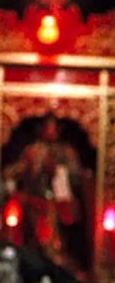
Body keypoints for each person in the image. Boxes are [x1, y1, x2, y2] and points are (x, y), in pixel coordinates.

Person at [2, 113, 85, 273]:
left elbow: (77, 177)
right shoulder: (32, 150)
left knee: (57, 231)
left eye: (53, 127)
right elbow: (17, 170)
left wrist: (59, 171)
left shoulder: (67, 152)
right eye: (47, 127)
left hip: (59, 200)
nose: (50, 131)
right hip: (36, 199)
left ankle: (57, 257)